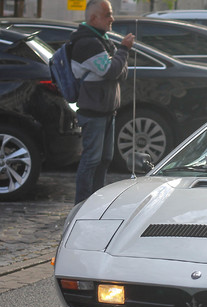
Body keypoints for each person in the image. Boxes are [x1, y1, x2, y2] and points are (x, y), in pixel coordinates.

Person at [71, 0, 135, 204]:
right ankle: (82, 204)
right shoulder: (87, 43)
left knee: (105, 159)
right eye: (107, 15)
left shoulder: (102, 39)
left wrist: (118, 59)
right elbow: (112, 70)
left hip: (108, 111)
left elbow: (120, 73)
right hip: (93, 112)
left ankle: (96, 201)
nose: (112, 19)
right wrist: (123, 50)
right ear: (93, 18)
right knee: (91, 160)